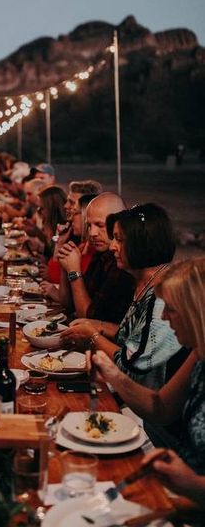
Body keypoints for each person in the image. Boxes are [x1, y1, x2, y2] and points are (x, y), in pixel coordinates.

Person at [93, 257, 205, 481]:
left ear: (196, 313)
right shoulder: (199, 353)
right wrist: (114, 376)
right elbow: (160, 407)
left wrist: (190, 484)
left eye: (171, 309)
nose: (163, 317)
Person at [61, 203, 182, 389]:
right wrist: (98, 325)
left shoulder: (163, 297)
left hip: (145, 407)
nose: (113, 247)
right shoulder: (146, 281)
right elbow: (136, 336)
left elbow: (131, 366)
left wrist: (92, 336)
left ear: (141, 243)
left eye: (119, 239)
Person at [57, 193, 135, 323]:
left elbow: (89, 319)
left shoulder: (123, 263)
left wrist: (74, 272)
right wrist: (65, 266)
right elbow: (68, 305)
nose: (92, 233)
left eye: (100, 225)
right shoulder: (101, 255)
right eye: (89, 225)